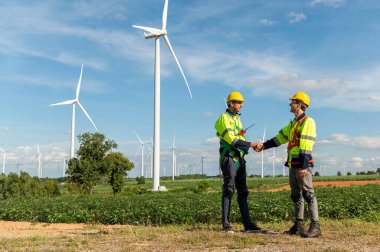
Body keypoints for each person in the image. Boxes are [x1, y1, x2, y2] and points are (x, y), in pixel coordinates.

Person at [256, 91, 322, 238]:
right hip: (293, 164)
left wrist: (304, 167)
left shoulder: (308, 122)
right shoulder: (293, 124)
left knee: (308, 194)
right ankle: (299, 225)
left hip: (302, 164)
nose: (289, 104)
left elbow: (306, 145)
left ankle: (315, 226)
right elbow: (279, 138)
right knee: (296, 195)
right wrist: (264, 146)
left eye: (292, 102)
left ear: (299, 104)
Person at [214, 91, 264, 233]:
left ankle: (247, 225)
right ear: (231, 103)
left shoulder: (237, 119)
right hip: (229, 157)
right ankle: (226, 225)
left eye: (242, 103)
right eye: (239, 102)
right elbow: (232, 140)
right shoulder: (224, 118)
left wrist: (251, 147)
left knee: (243, 191)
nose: (242, 105)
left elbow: (240, 140)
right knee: (229, 189)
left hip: (239, 157)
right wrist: (252, 144)